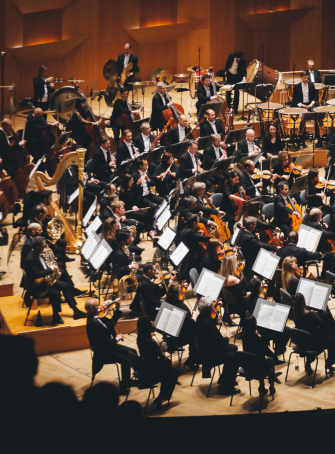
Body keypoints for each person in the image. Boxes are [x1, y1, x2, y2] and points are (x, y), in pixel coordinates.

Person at [24, 236, 86, 325]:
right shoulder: (31, 259)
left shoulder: (38, 253)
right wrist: (51, 269)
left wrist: (54, 271)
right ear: (37, 247)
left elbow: (43, 266)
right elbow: (37, 274)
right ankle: (56, 316)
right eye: (43, 246)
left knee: (66, 286)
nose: (45, 248)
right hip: (38, 287)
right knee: (56, 293)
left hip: (45, 281)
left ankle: (76, 311)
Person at [85, 298, 137, 395]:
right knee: (126, 360)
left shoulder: (98, 318)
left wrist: (117, 308)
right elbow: (101, 343)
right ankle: (123, 388)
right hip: (103, 352)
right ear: (91, 308)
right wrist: (116, 339)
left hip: (110, 347)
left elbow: (111, 323)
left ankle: (130, 379)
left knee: (132, 351)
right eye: (97, 305)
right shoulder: (92, 324)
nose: (100, 306)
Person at [194, 296, 239, 395]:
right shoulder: (207, 324)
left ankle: (225, 379)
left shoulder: (201, 318)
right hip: (210, 355)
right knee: (235, 357)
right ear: (209, 309)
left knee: (234, 348)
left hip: (206, 350)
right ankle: (226, 386)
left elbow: (212, 323)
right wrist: (227, 337)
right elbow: (218, 343)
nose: (214, 307)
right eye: (212, 305)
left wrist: (217, 308)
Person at [137, 316, 178, 408]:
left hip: (146, 366)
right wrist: (166, 354)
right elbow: (162, 356)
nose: (152, 321)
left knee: (168, 365)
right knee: (173, 371)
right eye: (149, 322)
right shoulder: (151, 342)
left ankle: (165, 387)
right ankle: (162, 397)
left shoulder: (139, 338)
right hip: (153, 370)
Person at [292, 293, 335, 374]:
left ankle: (308, 363)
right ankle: (329, 364)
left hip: (303, 342)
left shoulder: (295, 314)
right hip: (315, 344)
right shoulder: (310, 313)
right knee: (332, 340)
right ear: (304, 301)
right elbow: (323, 325)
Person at [165, 281, 199, 369]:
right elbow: (191, 324)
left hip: (168, 337)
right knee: (196, 334)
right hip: (178, 339)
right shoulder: (182, 307)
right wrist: (194, 316)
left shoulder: (166, 304)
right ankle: (191, 360)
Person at [242, 313, 276, 396]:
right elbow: (270, 354)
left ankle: (262, 387)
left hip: (248, 366)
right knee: (270, 362)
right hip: (259, 368)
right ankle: (271, 387)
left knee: (259, 360)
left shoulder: (244, 337)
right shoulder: (259, 339)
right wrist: (271, 349)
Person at [237, 216, 279, 281]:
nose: (256, 226)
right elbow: (260, 245)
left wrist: (254, 236)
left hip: (248, 252)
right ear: (251, 225)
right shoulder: (249, 238)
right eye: (255, 224)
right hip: (252, 260)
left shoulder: (242, 231)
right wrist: (275, 247)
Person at [292, 70, 321, 147]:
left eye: (307, 78)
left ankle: (318, 139)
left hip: (310, 104)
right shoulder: (297, 86)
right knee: (302, 120)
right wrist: (302, 105)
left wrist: (312, 103)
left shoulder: (311, 85)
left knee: (317, 118)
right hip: (302, 105)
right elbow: (295, 99)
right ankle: (302, 139)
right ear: (301, 78)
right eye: (304, 78)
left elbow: (315, 96)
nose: (306, 79)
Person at [178, 214, 211, 281]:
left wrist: (198, 233)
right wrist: (213, 239)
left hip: (185, 253)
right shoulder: (190, 232)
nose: (198, 222)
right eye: (198, 221)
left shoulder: (186, 228)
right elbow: (202, 238)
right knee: (207, 261)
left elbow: (194, 236)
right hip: (190, 257)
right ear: (194, 223)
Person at [220, 255, 249, 325]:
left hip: (229, 303)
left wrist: (241, 270)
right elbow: (243, 294)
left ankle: (226, 316)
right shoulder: (234, 280)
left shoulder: (222, 277)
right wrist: (251, 293)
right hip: (238, 305)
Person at [224, 50, 247, 115]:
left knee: (237, 91)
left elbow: (244, 70)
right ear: (235, 57)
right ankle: (228, 106)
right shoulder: (231, 56)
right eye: (237, 58)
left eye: (239, 58)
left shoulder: (243, 61)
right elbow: (227, 63)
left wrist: (244, 77)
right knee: (228, 90)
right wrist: (226, 70)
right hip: (230, 75)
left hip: (237, 76)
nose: (238, 60)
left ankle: (235, 108)